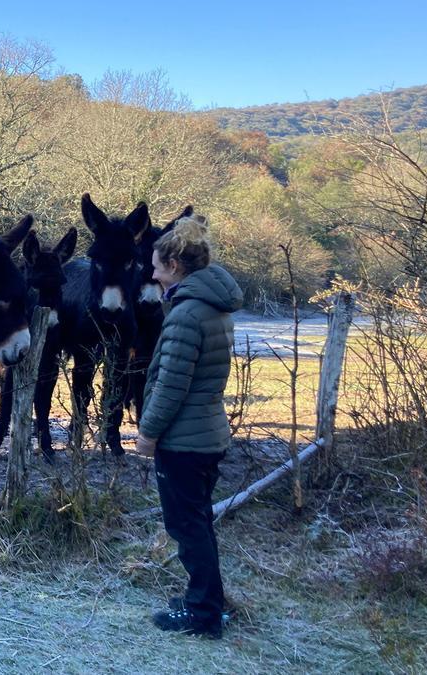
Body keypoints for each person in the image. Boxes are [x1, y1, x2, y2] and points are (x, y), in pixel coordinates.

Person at [134, 214, 243, 639]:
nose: (152, 271)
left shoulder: (185, 314)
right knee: (197, 523)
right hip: (207, 433)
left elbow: (171, 385)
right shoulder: (212, 305)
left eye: (158, 265)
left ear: (175, 267)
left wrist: (148, 434)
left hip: (184, 441)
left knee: (187, 527)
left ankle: (203, 614)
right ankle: (208, 602)